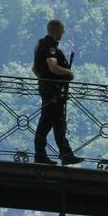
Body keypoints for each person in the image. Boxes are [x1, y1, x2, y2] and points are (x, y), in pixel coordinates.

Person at [32, 19, 83, 165]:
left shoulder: (40, 44)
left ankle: (65, 154)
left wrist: (43, 81)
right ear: (56, 30)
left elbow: (35, 69)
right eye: (62, 30)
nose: (63, 32)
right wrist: (68, 73)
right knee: (47, 122)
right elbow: (53, 67)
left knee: (58, 123)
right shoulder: (50, 47)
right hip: (53, 92)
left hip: (48, 89)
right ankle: (41, 155)